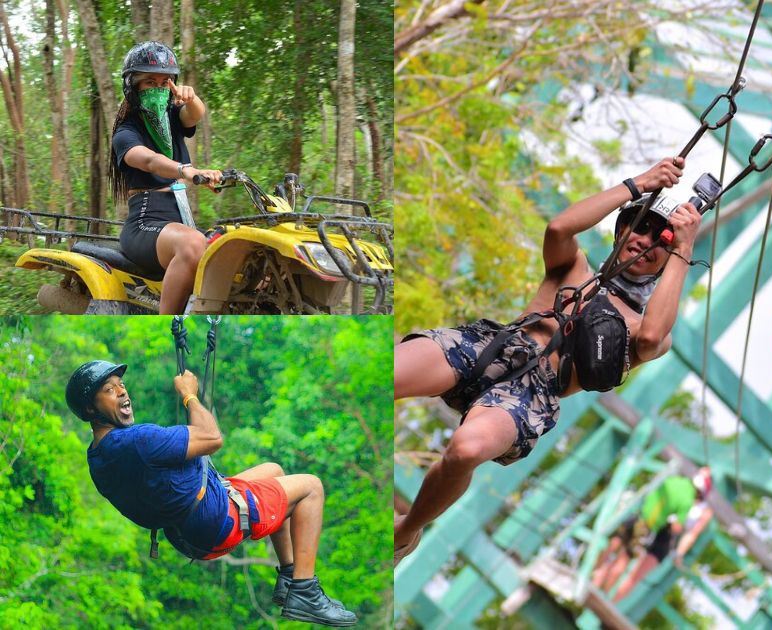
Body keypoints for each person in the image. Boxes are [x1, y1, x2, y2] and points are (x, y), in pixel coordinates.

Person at [393, 158, 703, 562]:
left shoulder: (643, 327)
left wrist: (683, 247)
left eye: (659, 242)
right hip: (495, 346)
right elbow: (559, 228)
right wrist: (638, 184)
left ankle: (406, 531)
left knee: (466, 450)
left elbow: (651, 337)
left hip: (532, 394)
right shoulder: (574, 267)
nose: (646, 240)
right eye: (639, 225)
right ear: (622, 229)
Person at [69, 360, 356, 627]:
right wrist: (189, 396)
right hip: (215, 520)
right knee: (311, 488)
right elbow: (211, 438)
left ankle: (289, 575)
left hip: (186, 530)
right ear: (90, 411)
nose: (121, 392)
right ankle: (305, 591)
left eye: (121, 384)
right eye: (109, 390)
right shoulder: (136, 442)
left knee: (274, 470)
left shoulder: (97, 457)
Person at [109, 41, 224, 314]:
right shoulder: (126, 132)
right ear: (133, 87)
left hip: (179, 222)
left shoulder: (171, 118)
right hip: (145, 224)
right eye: (150, 82)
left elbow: (195, 114)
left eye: (165, 82)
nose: (159, 89)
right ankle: (169, 323)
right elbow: (149, 160)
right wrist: (186, 170)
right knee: (193, 243)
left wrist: (191, 98)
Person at [593, 468, 714, 602]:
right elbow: (677, 527)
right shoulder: (687, 500)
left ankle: (594, 579)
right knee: (624, 560)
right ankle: (603, 597)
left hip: (636, 513)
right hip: (648, 527)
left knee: (613, 545)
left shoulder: (673, 479)